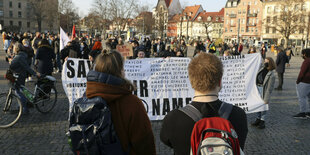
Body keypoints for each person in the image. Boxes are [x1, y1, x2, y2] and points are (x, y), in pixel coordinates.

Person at [160, 53, 248, 155]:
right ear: (220, 82)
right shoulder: (239, 115)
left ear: (191, 82)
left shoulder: (173, 118)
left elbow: (167, 141)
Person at [84, 51, 156, 154]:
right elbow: (145, 144)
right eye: (123, 68)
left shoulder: (86, 97)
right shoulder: (132, 103)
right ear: (120, 71)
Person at [10, 43, 41, 114]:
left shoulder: (20, 57)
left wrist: (35, 74)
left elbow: (26, 67)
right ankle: (21, 107)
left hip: (19, 76)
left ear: (16, 49)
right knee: (21, 91)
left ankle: (24, 108)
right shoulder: (20, 55)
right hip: (19, 75)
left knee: (18, 92)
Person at [251, 57, 276, 129]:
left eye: (266, 61)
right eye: (264, 61)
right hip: (257, 88)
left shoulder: (272, 74)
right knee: (258, 104)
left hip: (263, 89)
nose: (265, 62)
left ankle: (262, 121)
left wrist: (267, 98)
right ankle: (258, 118)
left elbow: (269, 88)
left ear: (270, 63)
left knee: (264, 105)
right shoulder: (262, 69)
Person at [293, 49, 310, 119]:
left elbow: (302, 72)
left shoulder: (306, 62)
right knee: (309, 98)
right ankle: (309, 112)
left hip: (304, 82)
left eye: (302, 54)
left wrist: (298, 81)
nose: (302, 55)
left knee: (302, 97)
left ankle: (302, 112)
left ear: (305, 54)